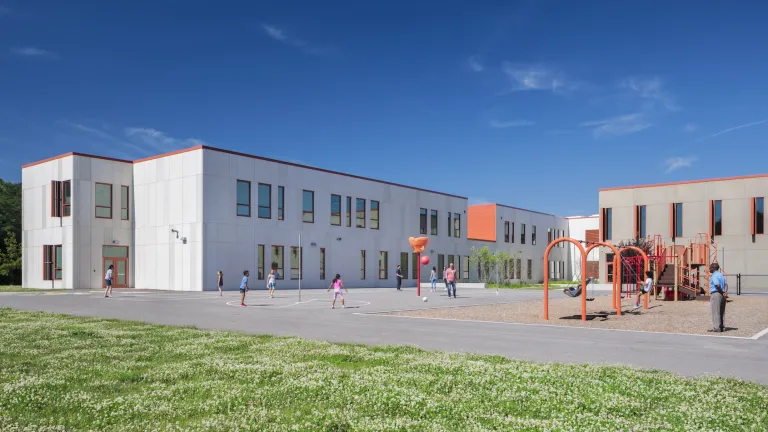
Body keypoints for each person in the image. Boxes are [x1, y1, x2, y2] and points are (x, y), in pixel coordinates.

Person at [709, 263, 727, 332]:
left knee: (716, 311)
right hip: (722, 295)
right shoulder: (721, 275)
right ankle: (722, 327)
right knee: (722, 312)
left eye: (710, 267)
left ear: (713, 268)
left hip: (716, 294)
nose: (709, 269)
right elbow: (726, 285)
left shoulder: (714, 275)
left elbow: (717, 285)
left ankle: (717, 328)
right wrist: (725, 292)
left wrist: (721, 292)